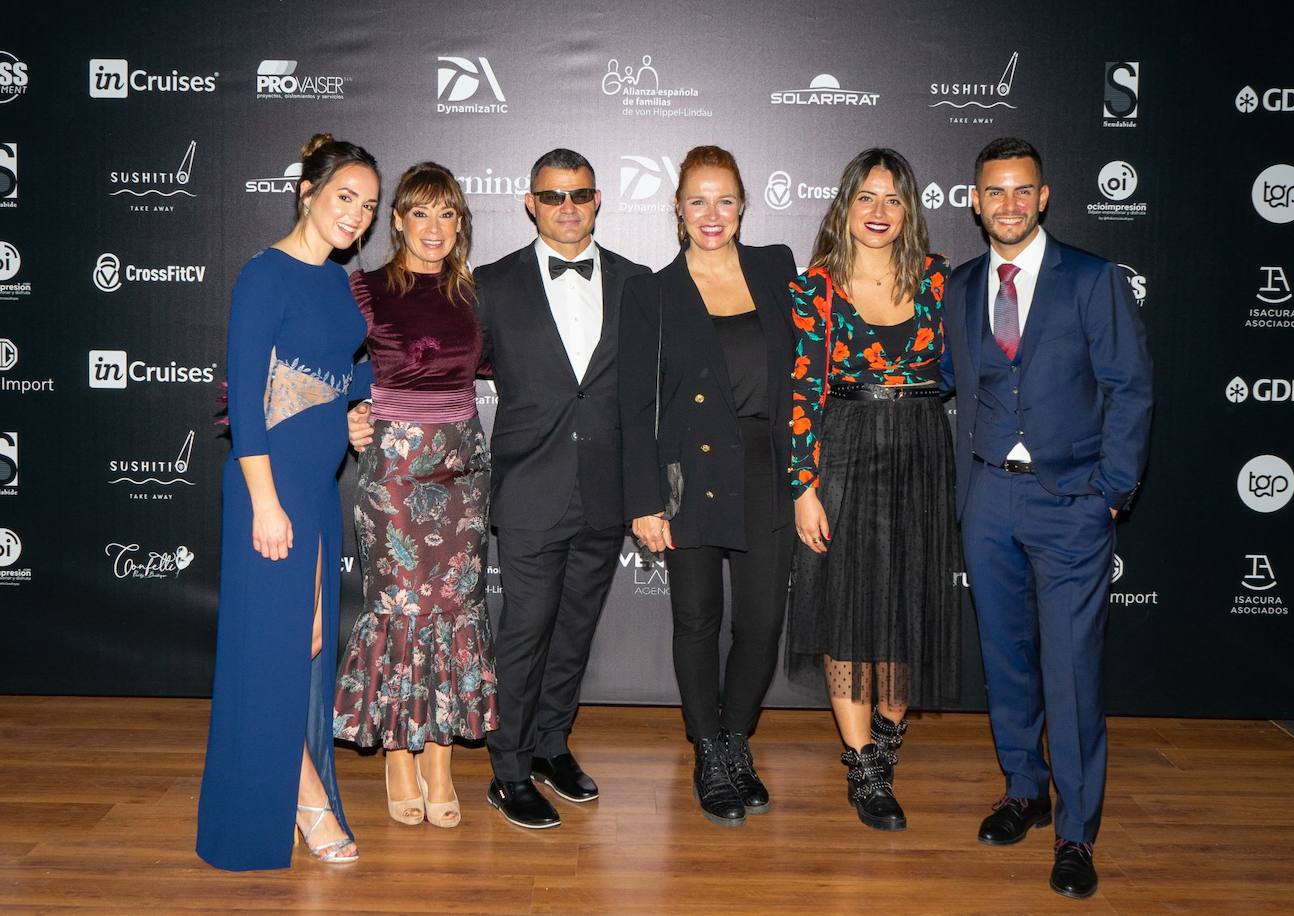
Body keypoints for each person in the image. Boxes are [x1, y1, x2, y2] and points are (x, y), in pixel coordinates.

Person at [358, 149, 648, 828]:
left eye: (579, 194)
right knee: (522, 633)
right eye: (553, 196)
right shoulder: (484, 285)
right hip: (525, 489)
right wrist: (357, 403)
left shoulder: (637, 282)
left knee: (575, 633)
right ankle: (508, 769)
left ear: (599, 199)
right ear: (529, 203)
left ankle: (551, 746)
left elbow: (647, 397)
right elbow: (419, 356)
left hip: (604, 489)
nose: (567, 207)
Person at [941, 137, 1152, 899]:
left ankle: (1075, 832)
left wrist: (1112, 489)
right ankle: (1023, 790)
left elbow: (1130, 387)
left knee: (1069, 669)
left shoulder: (1092, 280)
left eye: (1021, 190)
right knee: (1006, 657)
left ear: (1045, 195)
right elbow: (939, 378)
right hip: (988, 496)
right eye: (994, 191)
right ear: (973, 200)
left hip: (1072, 502)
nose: (1008, 203)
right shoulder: (961, 286)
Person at [197, 133, 379, 870]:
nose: (357, 218)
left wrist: (351, 411)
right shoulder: (263, 277)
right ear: (307, 192)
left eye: (368, 207)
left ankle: (294, 789)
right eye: (345, 198)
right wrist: (267, 507)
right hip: (266, 492)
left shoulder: (338, 282)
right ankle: (303, 804)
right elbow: (248, 399)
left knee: (305, 646)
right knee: (271, 651)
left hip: (315, 490)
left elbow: (325, 377)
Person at [620, 146, 796, 827]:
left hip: (766, 467)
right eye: (698, 200)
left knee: (760, 622)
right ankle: (707, 751)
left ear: (744, 204)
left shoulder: (777, 267)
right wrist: (643, 500)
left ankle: (735, 740)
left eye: (725, 200)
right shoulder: (652, 291)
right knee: (697, 620)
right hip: (687, 474)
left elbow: (805, 373)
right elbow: (634, 403)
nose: (712, 214)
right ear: (677, 209)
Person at [789, 148, 961, 832]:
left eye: (892, 199)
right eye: (866, 198)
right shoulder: (816, 287)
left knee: (903, 601)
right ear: (844, 206)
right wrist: (803, 486)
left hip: (921, 447)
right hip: (846, 447)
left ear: (909, 209)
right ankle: (863, 764)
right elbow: (801, 391)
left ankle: (889, 736)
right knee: (847, 603)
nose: (879, 212)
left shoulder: (939, 282)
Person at [333, 162, 498, 829]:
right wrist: (345, 408)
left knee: (456, 607)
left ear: (461, 223)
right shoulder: (364, 290)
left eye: (448, 214)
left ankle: (440, 757)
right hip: (394, 470)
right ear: (395, 219)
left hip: (465, 469)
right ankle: (400, 754)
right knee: (400, 607)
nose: (434, 228)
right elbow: (310, 362)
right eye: (420, 213)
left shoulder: (478, 295)